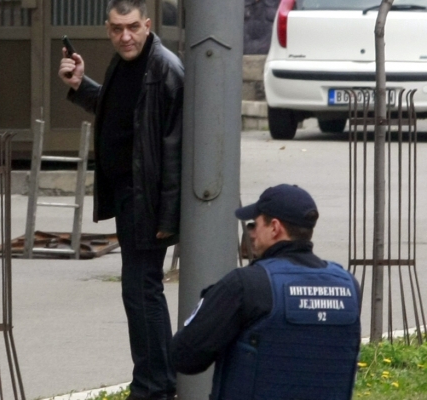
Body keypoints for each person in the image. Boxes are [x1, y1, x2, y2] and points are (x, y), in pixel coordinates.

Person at [58, 1, 184, 399]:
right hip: (130, 195)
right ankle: (155, 381)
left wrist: (168, 216)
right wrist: (80, 83)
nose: (124, 36)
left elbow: (176, 148)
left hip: (147, 198)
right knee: (139, 289)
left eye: (131, 27)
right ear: (108, 28)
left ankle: (155, 386)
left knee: (142, 288)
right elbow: (117, 109)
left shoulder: (164, 68)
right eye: (116, 29)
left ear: (147, 24)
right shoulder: (125, 63)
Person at [171, 184, 361, 400]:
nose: (251, 233)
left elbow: (185, 356)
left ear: (275, 228)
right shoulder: (348, 286)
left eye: (256, 224)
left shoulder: (246, 284)